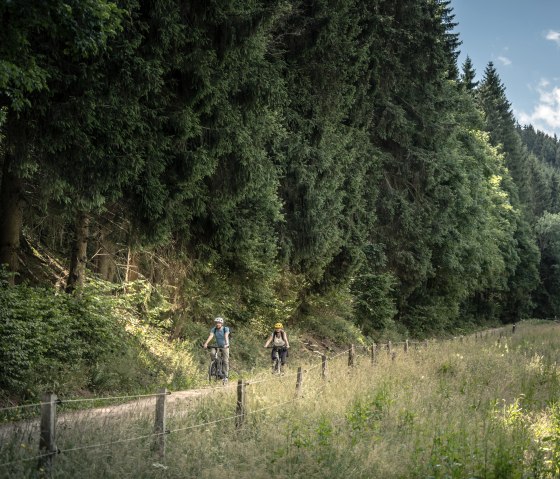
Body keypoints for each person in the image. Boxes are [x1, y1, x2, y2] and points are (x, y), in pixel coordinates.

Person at [203, 317, 230, 383]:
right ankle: (215, 366)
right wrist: (206, 343)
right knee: (212, 353)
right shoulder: (214, 329)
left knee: (225, 361)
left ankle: (225, 376)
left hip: (225, 346)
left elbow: (226, 336)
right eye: (216, 323)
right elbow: (211, 336)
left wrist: (227, 344)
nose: (217, 324)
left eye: (219, 323)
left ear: (221, 323)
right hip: (217, 345)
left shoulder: (225, 329)